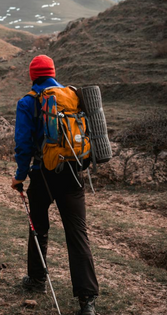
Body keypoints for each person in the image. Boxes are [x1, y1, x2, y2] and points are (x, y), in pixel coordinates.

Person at [11, 55, 99, 315]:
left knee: (38, 224)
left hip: (44, 174)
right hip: (73, 173)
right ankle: (87, 301)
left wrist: (20, 176)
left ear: (32, 75)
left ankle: (37, 279)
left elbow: (23, 144)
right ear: (53, 73)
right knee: (77, 233)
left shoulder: (28, 102)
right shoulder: (72, 96)